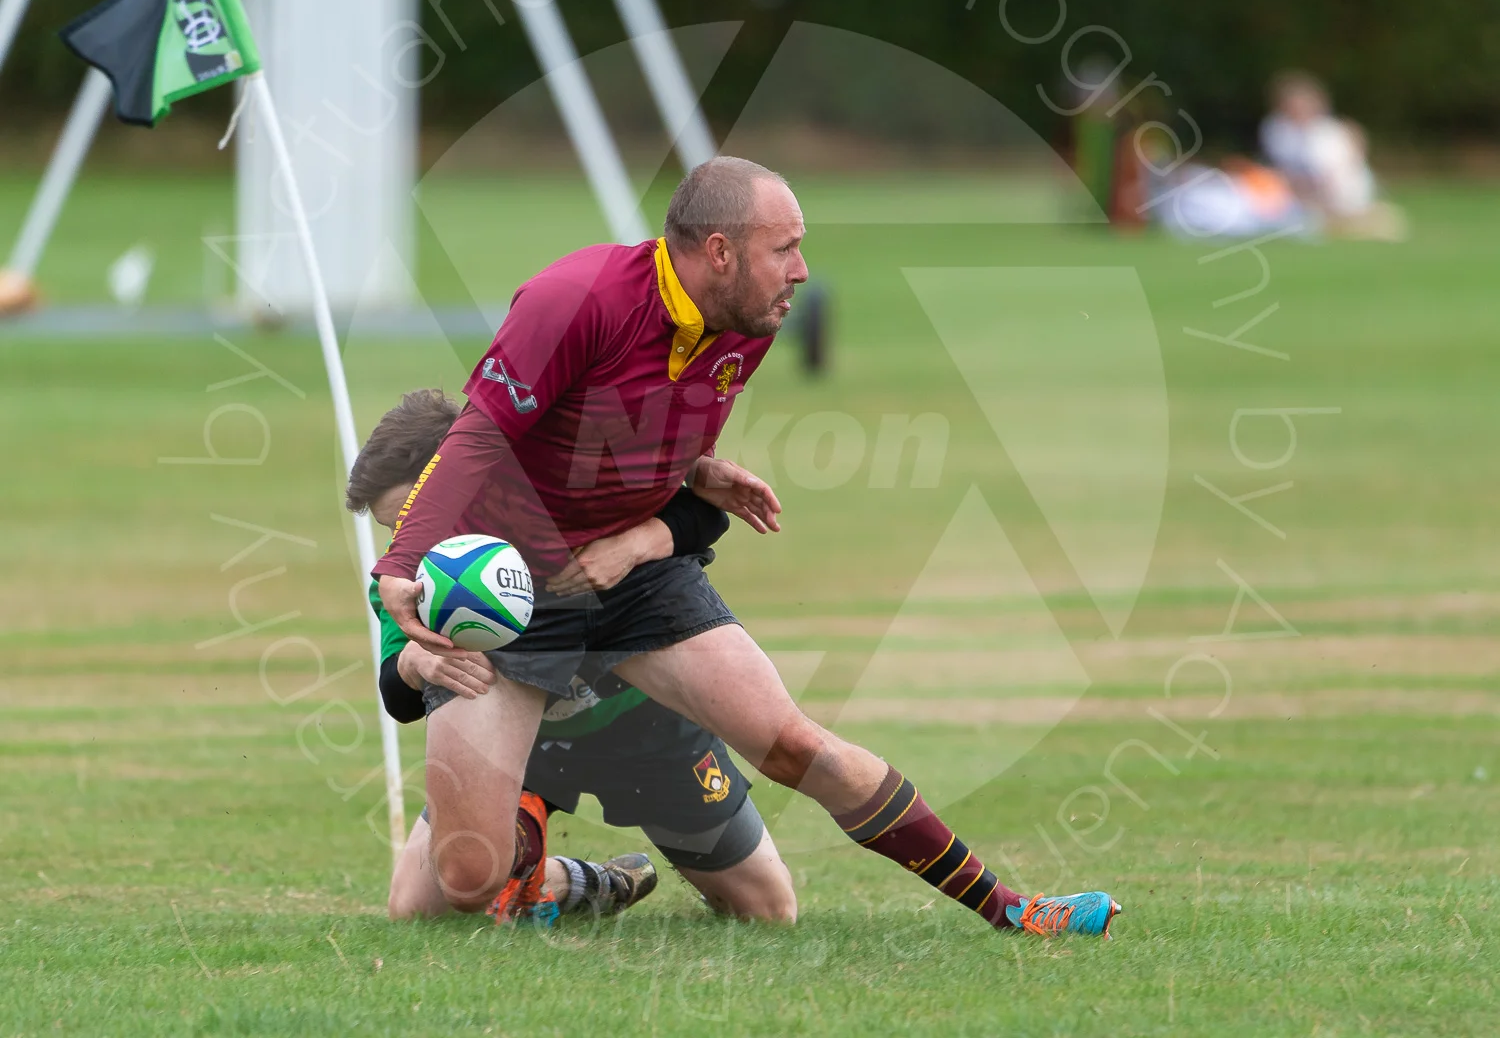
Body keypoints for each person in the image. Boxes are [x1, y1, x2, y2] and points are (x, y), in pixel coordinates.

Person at [375, 156, 1122, 938]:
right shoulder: (576, 299)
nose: (801, 271)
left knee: (795, 747)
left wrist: (688, 478)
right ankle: (550, 848)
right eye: (785, 248)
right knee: (463, 881)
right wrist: (400, 565)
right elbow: (481, 435)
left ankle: (1014, 912)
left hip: (640, 585)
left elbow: (620, 430)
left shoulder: (744, 326)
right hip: (514, 591)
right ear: (721, 252)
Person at [348, 388, 797, 923]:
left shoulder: (562, 505)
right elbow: (396, 697)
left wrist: (635, 545)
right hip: (521, 746)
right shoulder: (408, 582)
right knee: (416, 908)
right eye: (392, 530)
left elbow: (697, 515)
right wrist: (417, 665)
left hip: (647, 732)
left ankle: (691, 865)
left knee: (768, 911)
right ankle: (581, 881)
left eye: (413, 519)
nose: (405, 542)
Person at [1259, 70, 1405, 240]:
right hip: (1298, 191)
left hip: (1330, 193)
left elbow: (1330, 174)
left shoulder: (1327, 133)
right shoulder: (1277, 129)